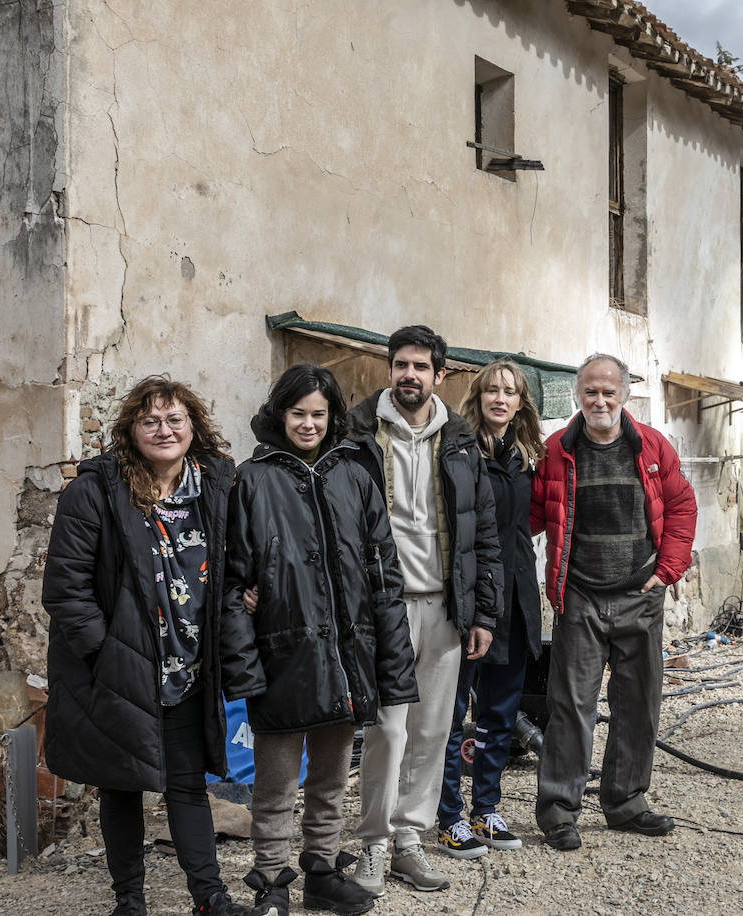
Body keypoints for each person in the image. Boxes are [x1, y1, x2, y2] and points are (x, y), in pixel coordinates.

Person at [42, 376, 262, 916]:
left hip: (188, 666)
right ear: (131, 430)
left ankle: (209, 898)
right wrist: (106, 655)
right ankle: (130, 901)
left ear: (193, 426)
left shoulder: (215, 487)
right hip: (119, 668)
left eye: (174, 419)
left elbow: (236, 563)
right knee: (122, 785)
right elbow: (66, 589)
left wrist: (246, 595)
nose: (164, 430)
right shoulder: (94, 491)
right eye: (150, 421)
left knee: (187, 785)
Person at [227, 364, 419, 916]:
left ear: (332, 415)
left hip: (346, 653)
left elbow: (384, 572)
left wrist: (391, 658)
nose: (308, 424)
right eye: (298, 413)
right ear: (279, 414)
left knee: (332, 778)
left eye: (318, 414)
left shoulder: (355, 475)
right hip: (282, 653)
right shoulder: (252, 480)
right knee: (275, 783)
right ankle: (270, 880)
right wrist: (244, 665)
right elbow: (234, 581)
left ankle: (322, 872)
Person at [346, 325, 504, 895]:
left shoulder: (460, 440)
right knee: (387, 731)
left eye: (420, 366)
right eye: (400, 364)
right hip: (383, 608)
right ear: (390, 369)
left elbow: (483, 532)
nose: (408, 374)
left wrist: (483, 614)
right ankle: (374, 843)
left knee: (433, 731)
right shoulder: (358, 431)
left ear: (440, 375)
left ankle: (409, 840)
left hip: (444, 608)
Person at [530, 353, 698, 851]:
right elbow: (530, 514)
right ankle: (559, 812)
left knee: (638, 704)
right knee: (570, 706)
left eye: (608, 392)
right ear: (578, 395)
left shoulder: (652, 446)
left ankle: (626, 803)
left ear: (624, 394)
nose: (599, 401)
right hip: (579, 597)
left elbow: (681, 505)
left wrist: (666, 571)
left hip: (639, 594)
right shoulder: (556, 450)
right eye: (590, 392)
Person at [435, 360, 544, 859]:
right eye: (492, 390)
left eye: (510, 392)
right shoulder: (459, 451)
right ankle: (447, 815)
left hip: (516, 595)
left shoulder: (526, 457)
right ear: (478, 397)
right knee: (453, 711)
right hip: (470, 595)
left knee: (500, 711)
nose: (500, 398)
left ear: (521, 403)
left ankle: (486, 809)